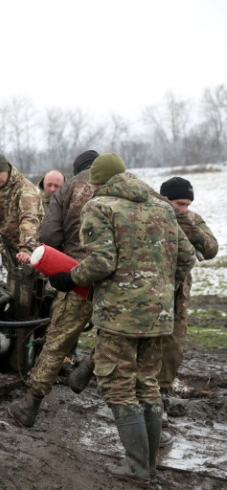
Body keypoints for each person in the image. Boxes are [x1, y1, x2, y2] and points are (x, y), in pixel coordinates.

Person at [47, 154, 195, 484]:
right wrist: (158, 286)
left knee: (119, 386)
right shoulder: (161, 208)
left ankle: (138, 470)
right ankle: (149, 466)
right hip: (159, 315)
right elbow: (186, 258)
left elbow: (100, 262)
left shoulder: (101, 207)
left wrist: (70, 278)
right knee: (147, 384)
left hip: (119, 316)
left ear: (97, 183)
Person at [7, 150, 98, 428]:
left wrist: (60, 263)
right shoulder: (124, 184)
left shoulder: (70, 188)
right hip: (119, 277)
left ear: (77, 169)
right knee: (118, 333)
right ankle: (91, 364)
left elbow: (48, 236)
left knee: (57, 340)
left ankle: (29, 405)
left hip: (77, 274)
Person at [156, 177, 218, 393]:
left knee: (174, 342)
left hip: (179, 291)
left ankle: (164, 386)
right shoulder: (150, 215)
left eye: (187, 204)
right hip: (151, 288)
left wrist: (189, 228)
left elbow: (211, 249)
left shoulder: (191, 219)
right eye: (179, 204)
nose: (183, 208)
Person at [0, 153, 43, 266]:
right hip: (9, 253)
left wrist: (26, 249)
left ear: (7, 170)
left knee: (34, 281)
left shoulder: (24, 188)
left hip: (34, 248)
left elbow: (30, 220)